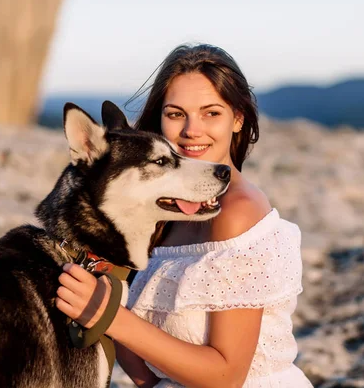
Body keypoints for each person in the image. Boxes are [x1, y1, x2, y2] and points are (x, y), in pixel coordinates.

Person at [56, 43, 313, 388]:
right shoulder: (167, 209)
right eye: (176, 114)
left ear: (238, 118)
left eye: (211, 113)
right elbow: (148, 375)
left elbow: (226, 377)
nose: (192, 130)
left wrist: (109, 316)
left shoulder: (237, 214)